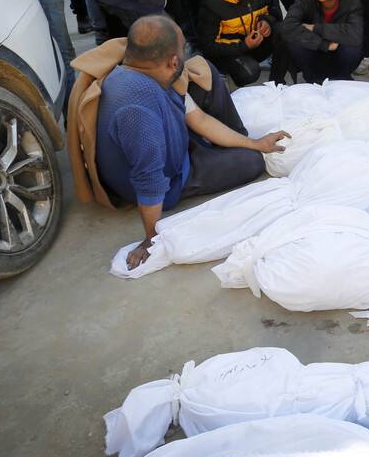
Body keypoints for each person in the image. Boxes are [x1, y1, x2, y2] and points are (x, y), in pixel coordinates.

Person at [95, 16, 290, 270]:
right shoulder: (139, 112)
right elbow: (150, 181)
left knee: (205, 70)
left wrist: (254, 142)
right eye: (182, 51)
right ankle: (217, 158)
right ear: (173, 62)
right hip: (170, 180)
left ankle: (228, 147)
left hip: (170, 145)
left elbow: (198, 118)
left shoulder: (133, 71)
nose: (185, 57)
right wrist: (150, 239)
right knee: (251, 162)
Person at [198, 0, 289, 86]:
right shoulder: (212, 5)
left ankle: (276, 83)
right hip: (231, 54)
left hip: (255, 45)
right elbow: (208, 46)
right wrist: (243, 46)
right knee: (249, 72)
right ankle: (224, 78)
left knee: (286, 31)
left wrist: (267, 21)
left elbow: (276, 14)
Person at [281, 0, 366, 82]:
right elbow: (288, 26)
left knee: (354, 46)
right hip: (314, 51)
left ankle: (341, 79)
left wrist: (315, 28)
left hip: (338, 56)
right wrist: (323, 44)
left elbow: (355, 34)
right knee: (293, 41)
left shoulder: (352, 3)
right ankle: (312, 79)